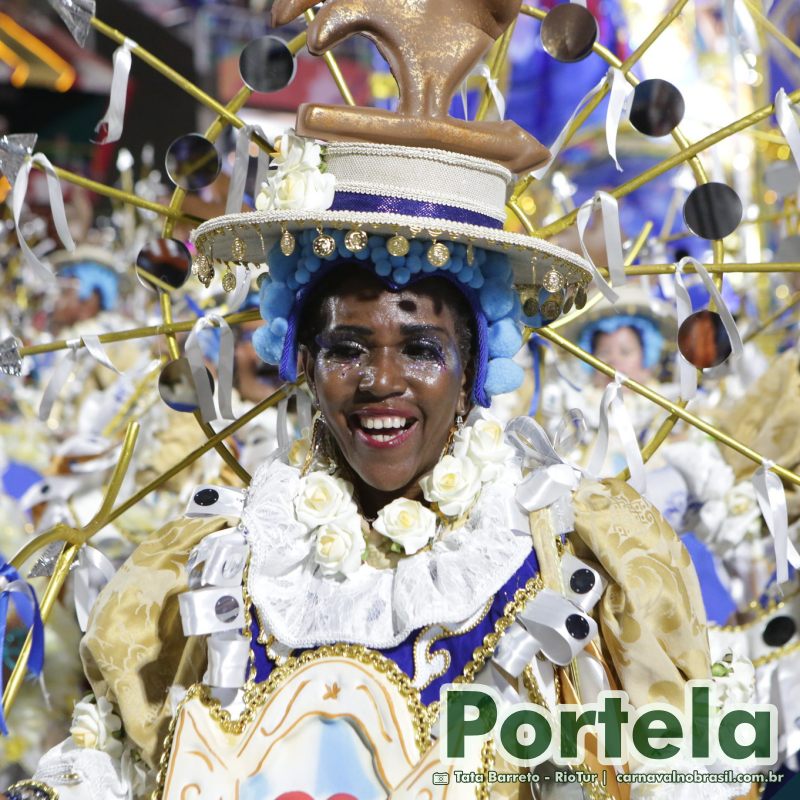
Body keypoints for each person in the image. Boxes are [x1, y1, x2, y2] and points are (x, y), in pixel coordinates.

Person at [2, 5, 734, 799]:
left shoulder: (575, 558)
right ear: (304, 363)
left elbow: (680, 774)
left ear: (473, 367)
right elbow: (111, 756)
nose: (381, 381)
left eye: (421, 348)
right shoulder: (213, 562)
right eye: (349, 348)